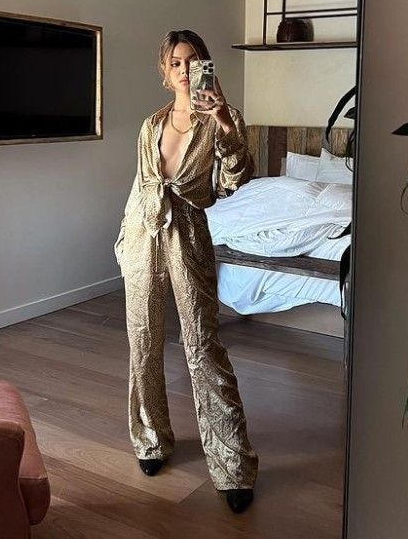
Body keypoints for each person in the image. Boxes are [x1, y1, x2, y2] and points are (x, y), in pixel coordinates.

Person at [114, 29, 258, 514]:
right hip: (142, 234)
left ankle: (233, 463)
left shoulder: (223, 119)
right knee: (143, 338)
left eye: (193, 60)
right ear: (164, 71)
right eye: (175, 62)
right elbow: (140, 185)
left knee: (202, 343)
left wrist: (222, 121)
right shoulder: (150, 124)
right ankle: (151, 438)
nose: (184, 69)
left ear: (205, 66)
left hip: (188, 235)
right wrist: (125, 241)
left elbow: (236, 180)